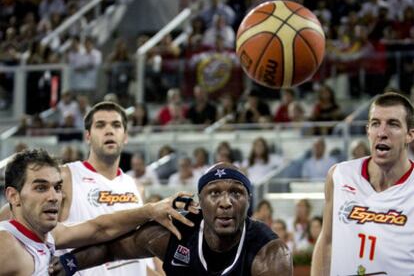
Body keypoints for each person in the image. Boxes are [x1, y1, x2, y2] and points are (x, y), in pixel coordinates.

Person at [0, 101, 160, 275]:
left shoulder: (135, 185)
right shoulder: (65, 175)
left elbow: (138, 258)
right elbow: (14, 212)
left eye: (116, 125)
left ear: (126, 135)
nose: (109, 130)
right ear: (88, 136)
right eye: (100, 125)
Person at [50, 162, 292, 275]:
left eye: (236, 193)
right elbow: (112, 249)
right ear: (199, 202)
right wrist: (70, 263)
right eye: (214, 193)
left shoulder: (269, 254)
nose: (225, 202)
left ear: (248, 201)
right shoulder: (174, 234)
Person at [0, 149, 196, 275]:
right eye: (41, 188)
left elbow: (100, 228)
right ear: (13, 196)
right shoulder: (7, 245)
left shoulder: (49, 235)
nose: (53, 197)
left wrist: (151, 211)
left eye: (58, 188)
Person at [312, 92, 414, 275]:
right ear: (368, 131)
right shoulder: (339, 176)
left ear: (410, 135)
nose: (382, 133)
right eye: (376, 124)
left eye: (393, 124)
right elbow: (327, 241)